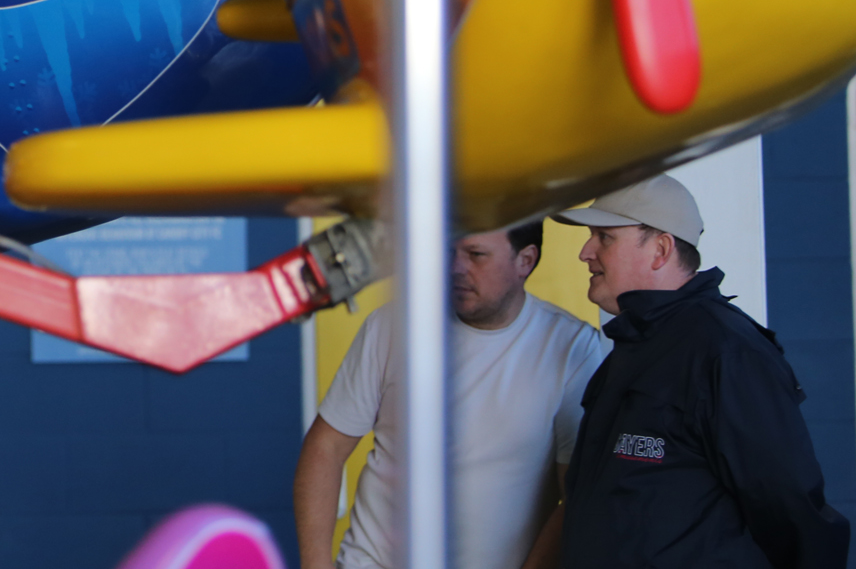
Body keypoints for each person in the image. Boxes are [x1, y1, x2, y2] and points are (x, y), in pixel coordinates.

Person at [553, 174, 849, 568]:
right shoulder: (632, 348)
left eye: (604, 237)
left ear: (660, 249)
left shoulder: (726, 351)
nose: (585, 252)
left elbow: (790, 508)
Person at [293, 222, 606, 569]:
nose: (456, 267)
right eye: (450, 251)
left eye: (476, 255)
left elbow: (575, 496)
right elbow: (326, 447)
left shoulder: (573, 349)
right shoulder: (392, 325)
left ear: (525, 261)